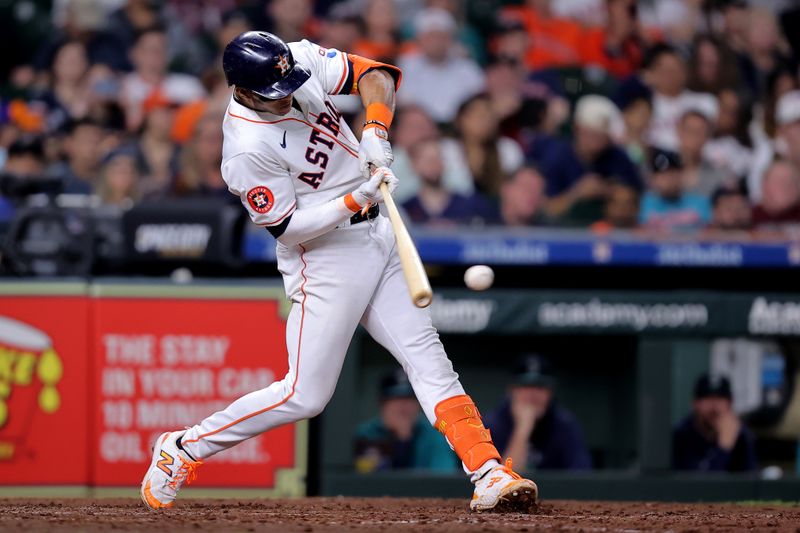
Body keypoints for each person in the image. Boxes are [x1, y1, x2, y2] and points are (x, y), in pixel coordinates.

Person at [140, 31, 537, 513]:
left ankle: (487, 470)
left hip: (379, 232)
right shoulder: (245, 147)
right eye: (273, 90)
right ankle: (182, 447)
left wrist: (375, 129)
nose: (286, 94)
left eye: (288, 82)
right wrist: (353, 200)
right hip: (325, 255)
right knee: (306, 395)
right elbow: (287, 229)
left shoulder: (295, 60)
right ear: (242, 90)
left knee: (428, 361)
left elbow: (378, 75)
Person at [538, 94, 642, 225]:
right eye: (591, 133)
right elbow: (546, 210)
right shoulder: (556, 157)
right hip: (564, 232)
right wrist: (577, 193)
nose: (596, 139)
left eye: (601, 134)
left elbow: (635, 200)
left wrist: (609, 191)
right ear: (577, 128)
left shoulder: (618, 158)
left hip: (610, 232)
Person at [486, 355, 592, 471]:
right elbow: (501, 485)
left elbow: (581, 478)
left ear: (550, 392)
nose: (532, 394)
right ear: (512, 390)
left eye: (540, 386)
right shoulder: (492, 425)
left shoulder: (565, 425)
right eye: (525, 386)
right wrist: (523, 428)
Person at [355, 371, 458, 473]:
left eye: (409, 398)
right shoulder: (365, 434)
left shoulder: (435, 435)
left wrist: (404, 443)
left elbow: (442, 479)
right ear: (382, 403)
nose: (403, 405)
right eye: (396, 398)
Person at [397, 8, 485, 124]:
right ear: (419, 39)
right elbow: (404, 103)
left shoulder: (467, 68)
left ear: (450, 39)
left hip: (459, 128)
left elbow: (476, 103)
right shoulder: (406, 65)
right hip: (419, 127)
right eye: (430, 37)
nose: (435, 42)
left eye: (441, 36)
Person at [402, 137, 497, 225]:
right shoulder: (405, 210)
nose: (433, 164)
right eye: (427, 160)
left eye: (438, 157)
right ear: (414, 165)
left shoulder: (472, 205)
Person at [672, 374, 757, 472]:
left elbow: (749, 481)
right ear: (695, 403)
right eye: (708, 398)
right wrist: (723, 448)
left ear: (730, 404)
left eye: (720, 399)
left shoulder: (741, 436)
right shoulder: (681, 436)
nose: (714, 407)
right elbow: (697, 485)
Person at [639, 149, 711, 231]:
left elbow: (711, 233)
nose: (669, 179)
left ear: (682, 175)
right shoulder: (643, 204)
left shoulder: (701, 203)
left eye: (673, 173)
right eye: (663, 174)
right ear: (653, 178)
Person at [751, 160, 800, 229]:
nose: (787, 186)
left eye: (793, 181)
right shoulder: (747, 216)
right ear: (764, 185)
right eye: (781, 181)